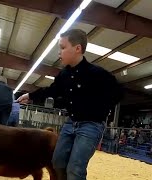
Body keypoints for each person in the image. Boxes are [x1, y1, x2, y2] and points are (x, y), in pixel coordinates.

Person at [17, 29, 123, 180]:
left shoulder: (98, 74)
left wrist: (101, 110)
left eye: (62, 47)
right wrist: (31, 95)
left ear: (77, 48)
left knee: (75, 167)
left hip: (91, 125)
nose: (59, 52)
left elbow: (119, 92)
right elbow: (53, 90)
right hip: (71, 123)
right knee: (57, 162)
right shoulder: (64, 74)